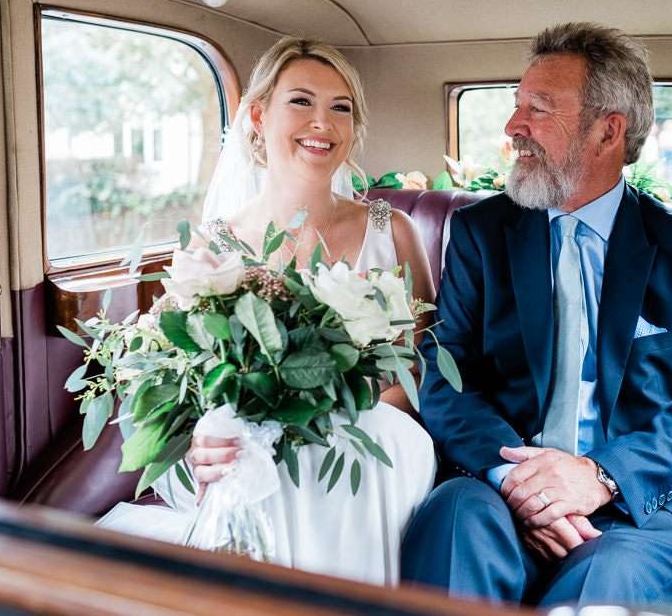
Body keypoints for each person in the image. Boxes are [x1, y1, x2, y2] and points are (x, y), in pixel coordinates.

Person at [400, 22, 672, 608]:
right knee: (451, 524)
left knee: (605, 584)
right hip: (496, 484)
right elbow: (445, 372)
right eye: (516, 106)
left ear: (608, 131)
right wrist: (521, 484)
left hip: (636, 504)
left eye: (538, 109)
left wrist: (599, 477)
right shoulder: (479, 233)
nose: (513, 127)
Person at [97, 37, 437, 586]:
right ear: (258, 115)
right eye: (301, 101)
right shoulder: (214, 247)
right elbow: (182, 375)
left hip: (378, 434)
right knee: (251, 458)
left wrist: (327, 418)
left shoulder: (391, 230)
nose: (322, 123)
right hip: (253, 437)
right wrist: (234, 429)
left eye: (341, 107)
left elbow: (418, 371)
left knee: (329, 452)